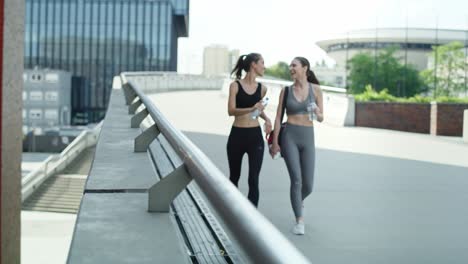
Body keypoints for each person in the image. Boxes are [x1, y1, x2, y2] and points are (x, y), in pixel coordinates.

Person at [269, 57, 324, 235]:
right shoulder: (285, 91)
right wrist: (275, 141)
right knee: (297, 179)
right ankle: (299, 220)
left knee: (308, 185)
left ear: (304, 68)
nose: (291, 68)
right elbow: (278, 118)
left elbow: (322, 118)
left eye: (294, 65)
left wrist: (317, 112)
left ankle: (297, 203)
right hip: (289, 137)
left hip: (308, 137)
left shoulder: (316, 89)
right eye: (290, 65)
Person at [227, 53, 272, 207]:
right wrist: (251, 107)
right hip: (237, 136)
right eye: (262, 63)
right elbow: (231, 111)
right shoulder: (235, 86)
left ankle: (252, 216)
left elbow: (256, 112)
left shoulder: (262, 89)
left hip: (255, 137)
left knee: (253, 178)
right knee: (234, 177)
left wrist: (267, 119)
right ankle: (232, 211)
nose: (264, 66)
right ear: (254, 64)